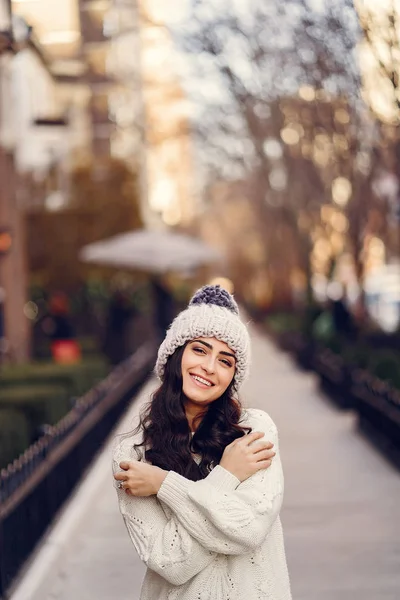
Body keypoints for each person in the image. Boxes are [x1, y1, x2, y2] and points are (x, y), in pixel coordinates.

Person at [113, 285, 292, 600]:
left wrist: (165, 483)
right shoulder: (134, 455)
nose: (209, 367)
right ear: (176, 354)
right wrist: (229, 477)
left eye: (225, 361)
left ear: (233, 377)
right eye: (199, 350)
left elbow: (248, 530)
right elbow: (170, 563)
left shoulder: (254, 432)